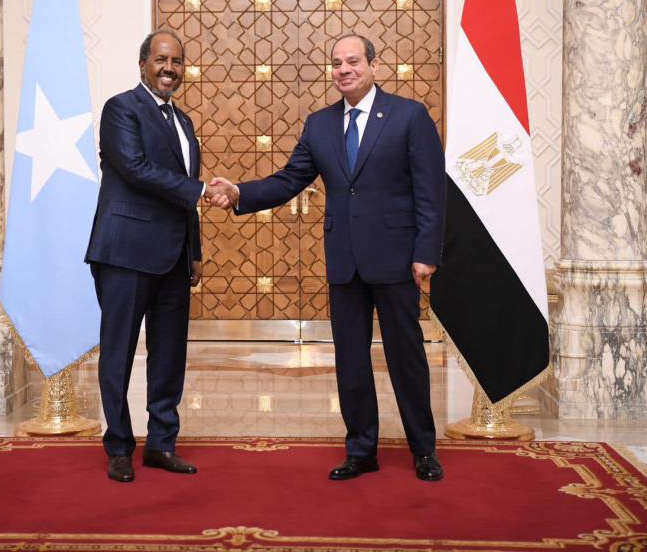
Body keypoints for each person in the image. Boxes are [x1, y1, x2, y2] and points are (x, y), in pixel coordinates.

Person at [210, 34, 446, 482]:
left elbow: (430, 189)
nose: (343, 69)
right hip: (344, 261)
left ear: (374, 66)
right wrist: (239, 192)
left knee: (406, 357)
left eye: (352, 61)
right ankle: (361, 450)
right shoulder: (319, 124)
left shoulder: (409, 116)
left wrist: (425, 252)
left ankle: (424, 450)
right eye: (336, 63)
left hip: (397, 259)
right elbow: (288, 180)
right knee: (350, 359)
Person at [85, 30, 232, 482]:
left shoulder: (183, 123)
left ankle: (162, 444)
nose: (170, 68)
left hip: (172, 257)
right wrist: (204, 190)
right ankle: (119, 447)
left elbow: (181, 194)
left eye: (178, 62)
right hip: (126, 252)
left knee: (169, 355)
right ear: (143, 63)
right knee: (119, 353)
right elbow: (135, 169)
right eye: (161, 60)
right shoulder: (121, 109)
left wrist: (196, 250)